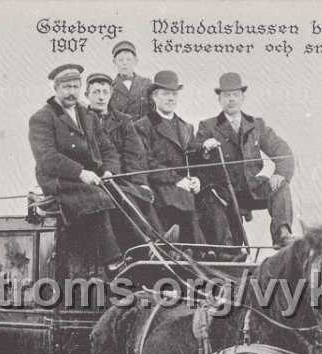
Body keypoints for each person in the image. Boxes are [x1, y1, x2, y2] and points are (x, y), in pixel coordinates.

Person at [28, 64, 126, 278]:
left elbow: (107, 147)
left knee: (125, 192)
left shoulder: (87, 115)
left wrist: (109, 171)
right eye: (66, 87)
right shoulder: (42, 118)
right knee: (98, 197)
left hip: (88, 178)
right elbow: (47, 159)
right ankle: (112, 260)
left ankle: (148, 246)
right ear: (56, 89)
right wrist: (81, 172)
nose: (72, 92)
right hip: (59, 181)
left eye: (75, 86)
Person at [195, 72, 296, 247]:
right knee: (232, 244)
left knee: (281, 186)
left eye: (235, 95)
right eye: (226, 95)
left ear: (243, 98)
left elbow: (283, 151)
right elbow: (195, 157)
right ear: (219, 99)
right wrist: (205, 149)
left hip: (252, 189)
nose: (231, 99)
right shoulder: (207, 126)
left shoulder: (256, 125)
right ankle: (227, 249)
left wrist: (280, 174)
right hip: (224, 192)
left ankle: (282, 233)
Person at [85, 72, 179, 252]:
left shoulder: (124, 120)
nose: (101, 96)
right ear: (87, 95)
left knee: (141, 195)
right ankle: (154, 246)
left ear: (111, 93)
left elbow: (135, 155)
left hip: (123, 178)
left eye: (105, 91)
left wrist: (140, 184)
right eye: (96, 92)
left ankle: (162, 245)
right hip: (96, 181)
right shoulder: (82, 121)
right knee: (124, 196)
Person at [134, 70, 206, 248]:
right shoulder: (143, 125)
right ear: (154, 97)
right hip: (159, 184)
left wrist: (196, 179)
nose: (171, 98)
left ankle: (215, 250)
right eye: (166, 94)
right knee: (179, 196)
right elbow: (146, 162)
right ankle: (193, 248)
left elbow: (192, 159)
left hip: (183, 185)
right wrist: (177, 179)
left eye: (174, 94)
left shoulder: (186, 127)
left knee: (212, 197)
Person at [109, 41, 152, 122]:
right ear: (114, 62)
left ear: (135, 61)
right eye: (120, 60)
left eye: (129, 59)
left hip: (143, 133)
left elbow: (154, 113)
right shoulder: (110, 87)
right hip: (120, 133)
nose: (124, 63)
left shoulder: (146, 84)